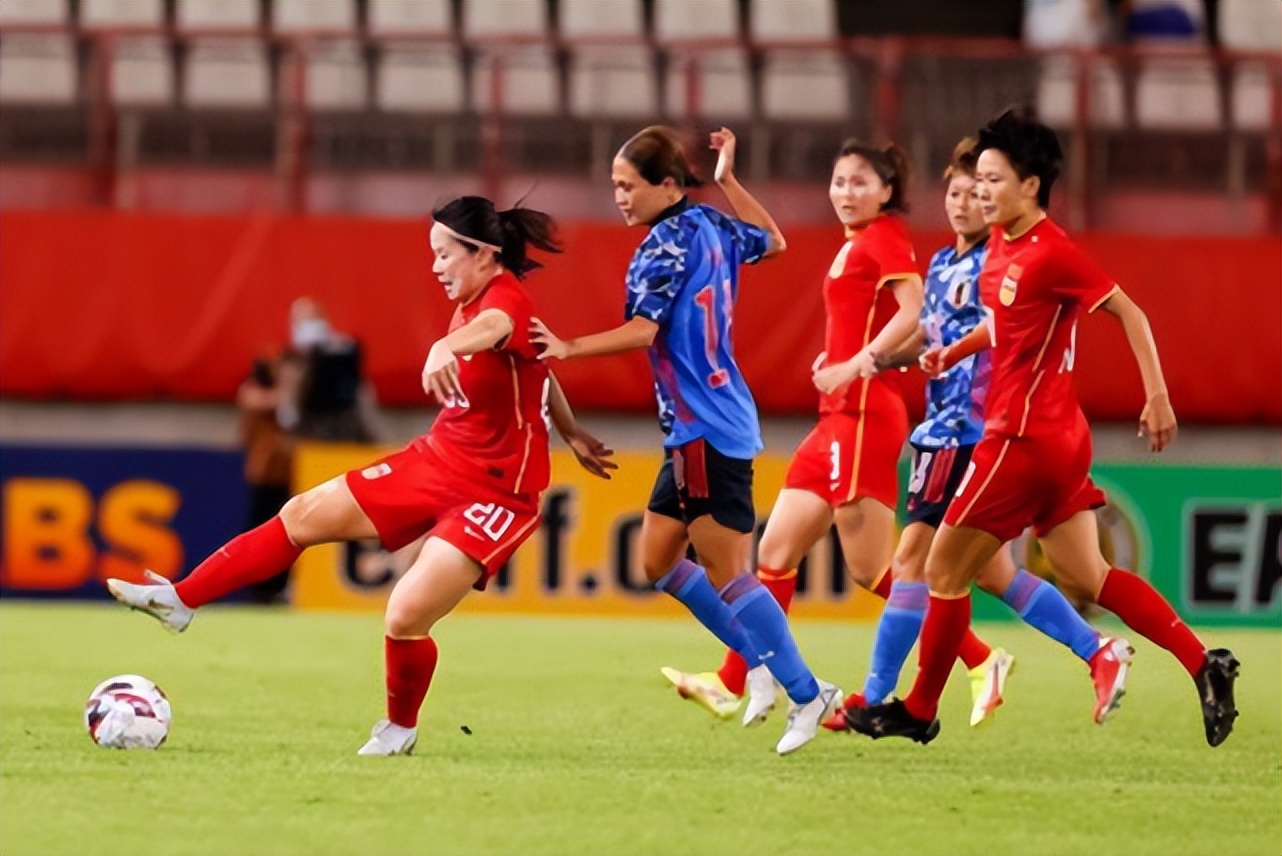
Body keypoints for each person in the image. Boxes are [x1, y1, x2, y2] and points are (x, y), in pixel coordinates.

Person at [106, 195, 616, 756]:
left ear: (484, 254)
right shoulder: (471, 303)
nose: (435, 266)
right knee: (300, 514)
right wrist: (572, 432)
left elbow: (500, 329)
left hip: (498, 491)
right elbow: (539, 369)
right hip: (438, 459)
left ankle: (400, 729)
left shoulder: (504, 301)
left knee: (404, 613)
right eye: (434, 255)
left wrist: (445, 344)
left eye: (445, 254)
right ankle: (181, 600)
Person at [850, 108, 1239, 747]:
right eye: (978, 179)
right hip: (1059, 438)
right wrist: (957, 349)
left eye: (994, 180)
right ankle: (1204, 663)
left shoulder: (1053, 250)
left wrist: (1158, 393)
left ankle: (918, 708)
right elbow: (1010, 321)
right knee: (1089, 577)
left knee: (941, 572)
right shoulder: (1003, 243)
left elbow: (1129, 311)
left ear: (1031, 185)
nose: (981, 192)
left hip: (1020, 440)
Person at [658, 137, 1010, 729]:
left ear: (888, 191)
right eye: (839, 182)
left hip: (866, 413)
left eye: (859, 183)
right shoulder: (855, 243)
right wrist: (729, 180)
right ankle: (729, 682)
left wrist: (859, 363)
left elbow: (914, 310)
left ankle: (981, 657)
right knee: (773, 554)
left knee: (872, 570)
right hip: (836, 417)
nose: (846, 193)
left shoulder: (887, 238)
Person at [530, 125, 841, 756]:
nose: (618, 196)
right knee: (657, 560)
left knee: (729, 574)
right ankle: (758, 665)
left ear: (666, 185)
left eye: (628, 185)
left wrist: (569, 347)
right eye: (614, 185)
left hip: (705, 425)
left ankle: (809, 694)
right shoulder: (712, 225)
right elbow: (775, 242)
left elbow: (644, 332)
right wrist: (728, 182)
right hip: (703, 422)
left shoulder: (659, 250)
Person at [822, 137, 1134, 732]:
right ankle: (1091, 649)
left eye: (976, 191)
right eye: (955, 193)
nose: (963, 203)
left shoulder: (998, 259)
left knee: (911, 558)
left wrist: (862, 362)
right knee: (987, 574)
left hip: (972, 429)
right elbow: (931, 336)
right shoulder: (941, 263)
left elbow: (1009, 326)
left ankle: (875, 697)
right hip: (939, 426)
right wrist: (882, 361)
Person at [235, 354, 297, 604]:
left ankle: (276, 586)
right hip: (263, 474)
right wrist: (290, 386)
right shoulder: (254, 393)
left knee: (285, 532)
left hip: (285, 474)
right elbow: (261, 402)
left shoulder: (282, 400)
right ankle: (257, 586)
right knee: (259, 530)